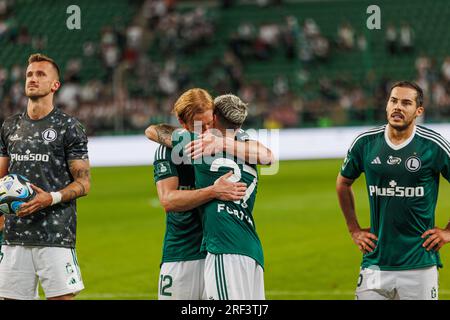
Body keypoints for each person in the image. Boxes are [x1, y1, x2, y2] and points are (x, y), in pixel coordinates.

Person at [336, 81, 450, 300]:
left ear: (418, 111)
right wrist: (354, 229)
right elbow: (343, 183)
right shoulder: (365, 143)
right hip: (375, 263)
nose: (398, 107)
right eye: (393, 100)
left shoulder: (432, 145)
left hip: (419, 264)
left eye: (406, 103)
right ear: (387, 106)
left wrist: (448, 232)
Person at [0, 53, 91, 300]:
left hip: (55, 236)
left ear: (55, 85)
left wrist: (49, 198)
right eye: (29, 74)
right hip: (14, 236)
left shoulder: (69, 127)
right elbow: (1, 181)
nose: (33, 78)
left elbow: (84, 184)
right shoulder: (9, 126)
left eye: (41, 74)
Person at [149, 88, 249, 300]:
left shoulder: (225, 141)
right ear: (182, 122)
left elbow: (267, 154)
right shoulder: (167, 150)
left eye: (209, 123)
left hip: (218, 252)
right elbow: (168, 200)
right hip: (182, 253)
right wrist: (213, 191)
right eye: (198, 126)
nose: (206, 131)